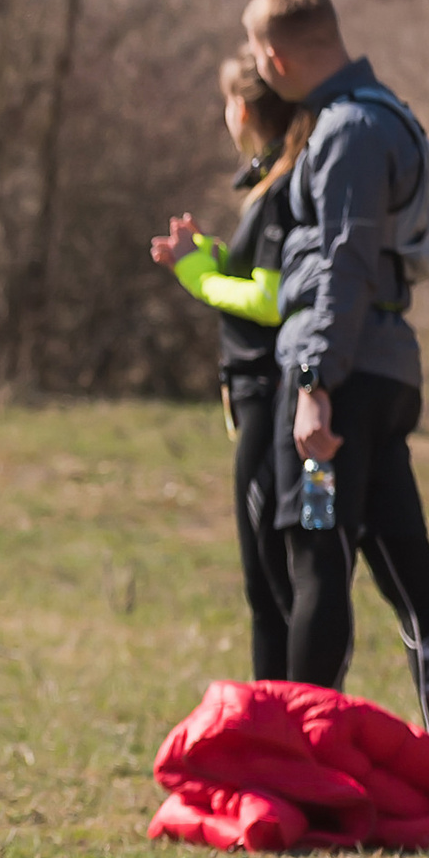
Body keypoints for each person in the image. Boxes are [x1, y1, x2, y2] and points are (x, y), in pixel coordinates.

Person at [244, 0, 429, 742]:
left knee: (318, 557)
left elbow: (344, 263)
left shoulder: (346, 132)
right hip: (379, 372)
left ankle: (302, 755)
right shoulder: (383, 113)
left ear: (275, 57)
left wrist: (313, 384)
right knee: (406, 565)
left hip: (336, 387)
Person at [151, 55, 308, 682]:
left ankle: (286, 714)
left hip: (272, 401)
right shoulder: (274, 183)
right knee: (274, 586)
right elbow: (264, 279)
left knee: (273, 586)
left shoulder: (278, 193)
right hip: (267, 399)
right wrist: (214, 257)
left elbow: (270, 301)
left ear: (240, 110)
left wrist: (196, 275)